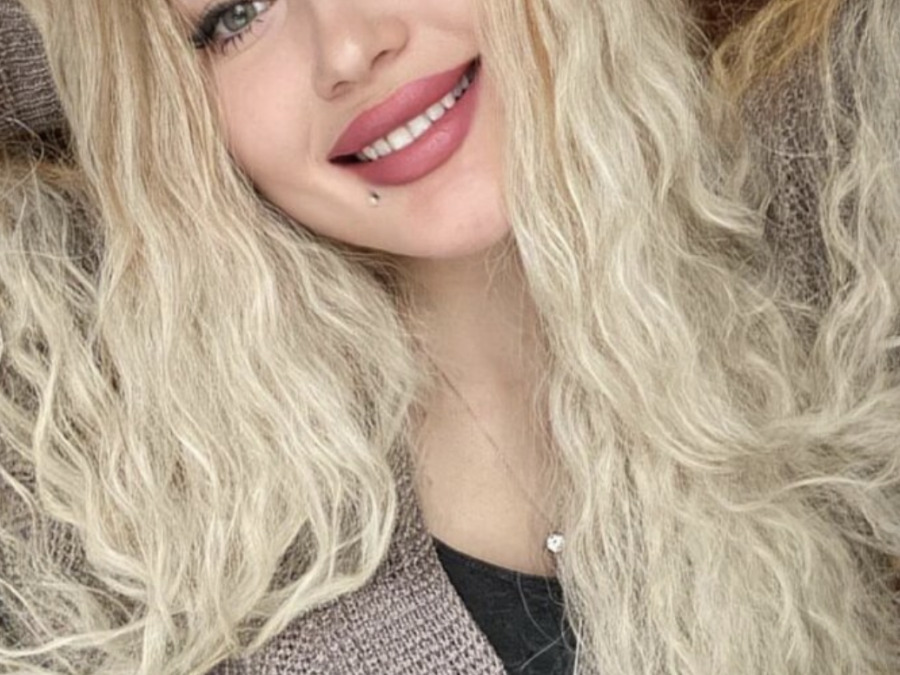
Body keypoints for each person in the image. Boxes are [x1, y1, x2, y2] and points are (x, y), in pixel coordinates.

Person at [0, 0, 898, 673]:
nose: (349, 48)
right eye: (236, 16)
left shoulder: (837, 214)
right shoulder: (120, 510)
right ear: (164, 112)